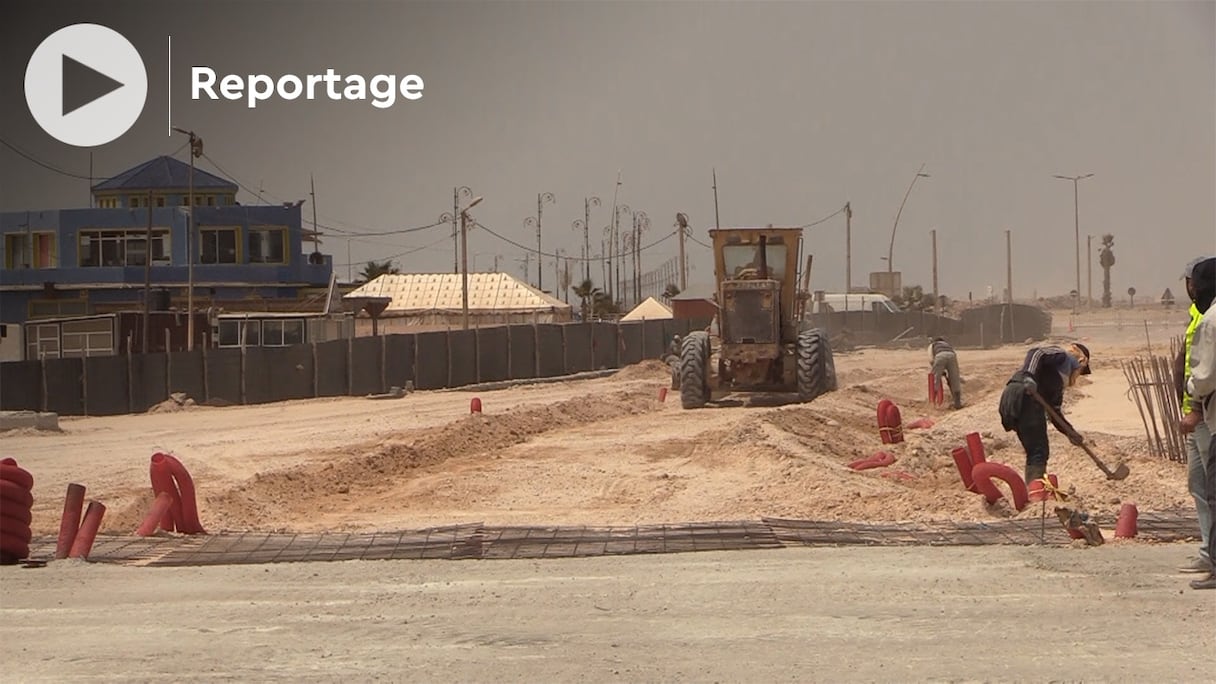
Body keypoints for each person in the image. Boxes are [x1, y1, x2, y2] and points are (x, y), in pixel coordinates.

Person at [998, 342, 1092, 483]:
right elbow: (1036, 353)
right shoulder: (1061, 356)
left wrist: (1070, 432)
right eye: (1081, 371)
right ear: (1080, 361)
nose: (1078, 375)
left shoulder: (1058, 385)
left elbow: (1054, 413)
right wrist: (1029, 376)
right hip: (1022, 395)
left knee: (1035, 451)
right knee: (1038, 451)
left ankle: (1033, 490)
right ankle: (1036, 495)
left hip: (1020, 401)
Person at [1179, 256, 1216, 581]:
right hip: (1198, 413)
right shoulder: (1197, 315)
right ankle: (1208, 551)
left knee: (1211, 486)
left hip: (1204, 414)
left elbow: (1204, 372)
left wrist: (1192, 409)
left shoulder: (1210, 317)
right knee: (1200, 485)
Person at [929, 337, 963, 409]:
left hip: (940, 356)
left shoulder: (932, 345)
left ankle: (933, 403)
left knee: (935, 379)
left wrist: (938, 370)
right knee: (954, 379)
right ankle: (957, 403)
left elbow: (931, 360)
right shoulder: (947, 344)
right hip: (952, 355)